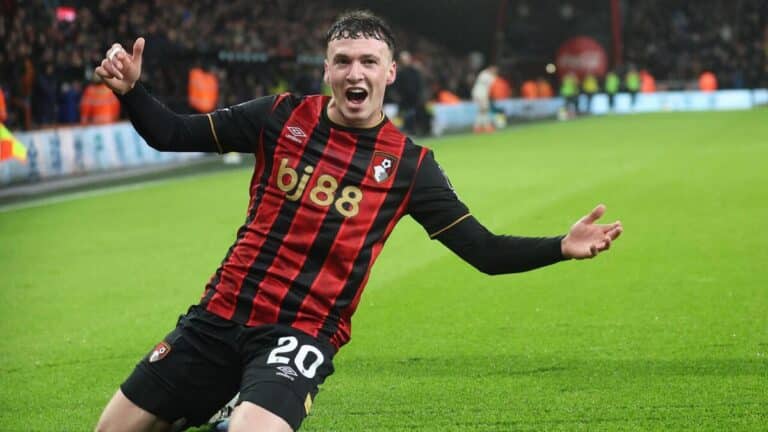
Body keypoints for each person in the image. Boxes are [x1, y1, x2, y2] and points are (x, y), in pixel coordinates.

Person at [93, 11, 623, 432]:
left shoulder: (411, 166)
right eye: (343, 60)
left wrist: (560, 245)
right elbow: (173, 133)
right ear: (326, 69)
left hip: (300, 330)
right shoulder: (278, 116)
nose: (356, 73)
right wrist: (133, 92)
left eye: (369, 61)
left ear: (390, 71)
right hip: (219, 314)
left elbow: (483, 251)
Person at [471, 65, 498, 133]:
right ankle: (487, 127)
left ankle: (477, 127)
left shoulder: (490, 76)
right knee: (484, 110)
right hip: (480, 94)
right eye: (493, 69)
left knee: (481, 111)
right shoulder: (485, 74)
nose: (495, 71)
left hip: (482, 94)